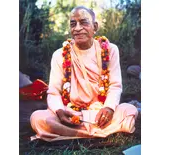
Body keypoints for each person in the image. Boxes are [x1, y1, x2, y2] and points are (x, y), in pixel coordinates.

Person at [30, 6, 138, 142]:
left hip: (101, 112)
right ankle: (99, 132)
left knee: (129, 110)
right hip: (72, 114)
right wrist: (59, 111)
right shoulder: (59, 55)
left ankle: (75, 133)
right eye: (73, 24)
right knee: (38, 118)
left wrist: (109, 108)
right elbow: (53, 92)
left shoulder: (110, 50)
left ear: (95, 26)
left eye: (84, 22)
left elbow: (115, 86)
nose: (77, 28)